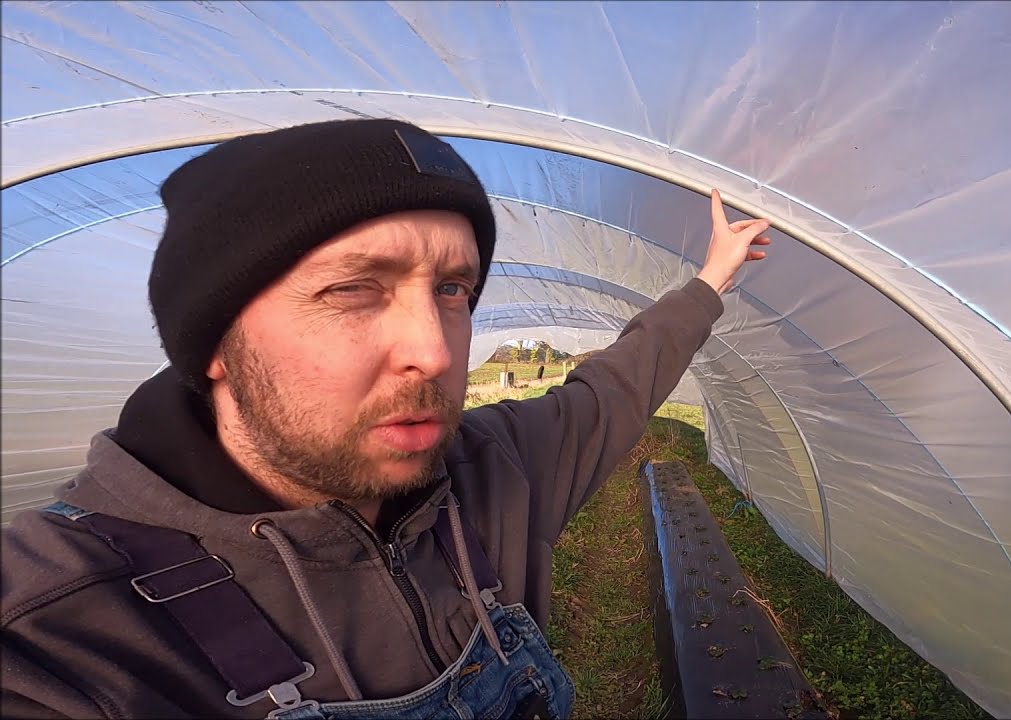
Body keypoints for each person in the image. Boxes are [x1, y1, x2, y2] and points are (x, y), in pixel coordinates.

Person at [0, 118, 771, 719]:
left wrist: (709, 283)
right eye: (352, 289)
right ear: (216, 345)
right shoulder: (63, 620)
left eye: (453, 291)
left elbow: (617, 386)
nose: (434, 352)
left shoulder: (494, 471)